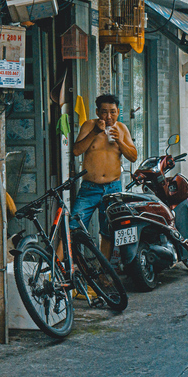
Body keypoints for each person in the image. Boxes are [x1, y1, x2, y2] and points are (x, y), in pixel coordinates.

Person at [70, 94, 138, 258]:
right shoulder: (89, 125)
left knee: (107, 232)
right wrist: (95, 132)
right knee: (73, 227)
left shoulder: (122, 129)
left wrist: (120, 141)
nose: (109, 117)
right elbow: (76, 150)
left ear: (118, 111)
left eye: (113, 112)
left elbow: (133, 156)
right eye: (104, 112)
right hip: (89, 188)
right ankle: (64, 269)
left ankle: (104, 273)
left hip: (113, 188)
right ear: (97, 112)